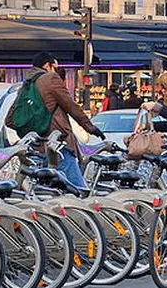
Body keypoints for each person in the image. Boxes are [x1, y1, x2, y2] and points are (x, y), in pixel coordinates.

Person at [6, 52, 105, 188]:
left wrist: (34, 127)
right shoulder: (51, 78)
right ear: (47, 66)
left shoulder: (27, 84)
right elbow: (71, 106)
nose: (56, 71)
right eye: (55, 67)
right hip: (58, 145)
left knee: (44, 191)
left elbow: (10, 120)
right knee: (78, 189)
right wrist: (90, 127)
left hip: (37, 147)